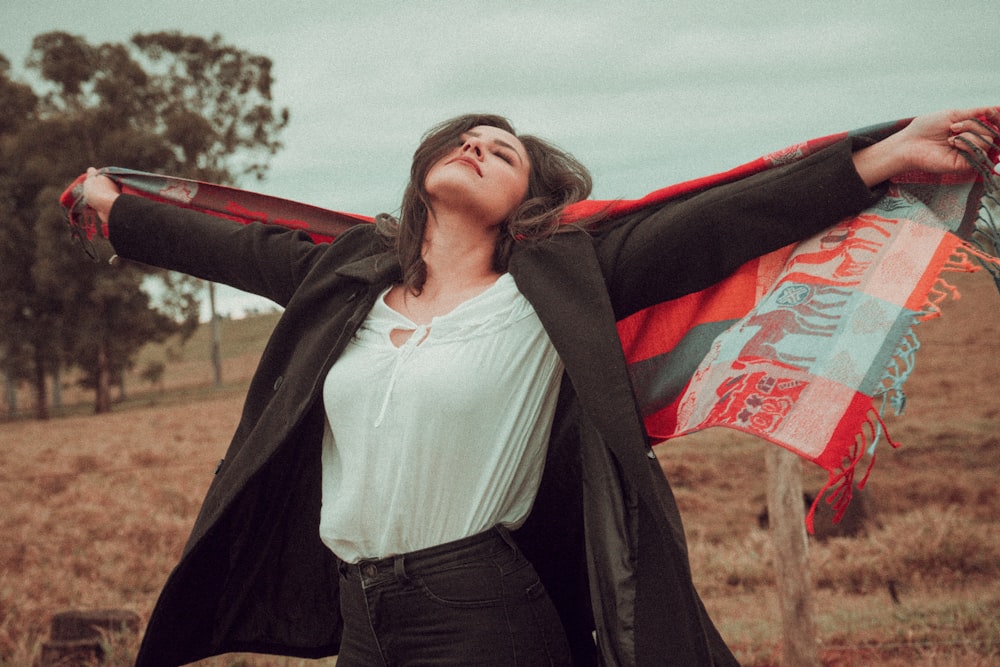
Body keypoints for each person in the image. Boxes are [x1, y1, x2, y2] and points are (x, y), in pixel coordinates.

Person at [78, 107, 997, 667]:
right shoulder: (350, 275)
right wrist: (119, 214)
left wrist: (877, 159)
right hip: (360, 610)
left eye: (504, 152)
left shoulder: (554, 283)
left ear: (529, 203)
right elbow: (238, 247)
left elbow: (719, 222)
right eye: (468, 137)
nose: (480, 145)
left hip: (479, 610)